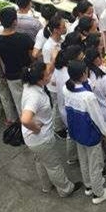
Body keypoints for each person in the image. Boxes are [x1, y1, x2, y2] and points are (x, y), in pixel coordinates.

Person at [21, 62, 81, 197]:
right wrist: (36, 128)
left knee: (40, 160)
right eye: (47, 74)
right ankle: (65, 189)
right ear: (39, 79)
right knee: (53, 165)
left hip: (32, 140)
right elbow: (25, 119)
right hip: (41, 139)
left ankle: (46, 185)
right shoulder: (34, 96)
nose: (49, 76)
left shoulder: (29, 85)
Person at [63, 60, 106, 204]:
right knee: (95, 162)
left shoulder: (66, 88)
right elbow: (97, 117)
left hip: (76, 130)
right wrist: (105, 131)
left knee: (84, 159)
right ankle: (98, 193)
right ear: (83, 74)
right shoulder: (87, 97)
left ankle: (88, 185)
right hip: (89, 133)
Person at [0, 7, 35, 114]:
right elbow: (33, 56)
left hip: (11, 76)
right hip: (28, 73)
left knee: (19, 102)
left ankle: (25, 124)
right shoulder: (24, 38)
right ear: (15, 21)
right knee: (33, 99)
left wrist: (2, 74)